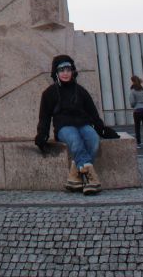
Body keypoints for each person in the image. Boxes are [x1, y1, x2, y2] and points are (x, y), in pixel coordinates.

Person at [35, 54, 114, 194]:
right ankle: (91, 179)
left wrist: (101, 128)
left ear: (72, 71)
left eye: (68, 69)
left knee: (93, 139)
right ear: (56, 73)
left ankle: (74, 176)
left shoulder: (81, 90)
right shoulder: (49, 93)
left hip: (83, 124)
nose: (65, 73)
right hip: (64, 127)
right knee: (75, 140)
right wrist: (42, 134)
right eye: (61, 70)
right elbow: (44, 117)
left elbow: (92, 112)